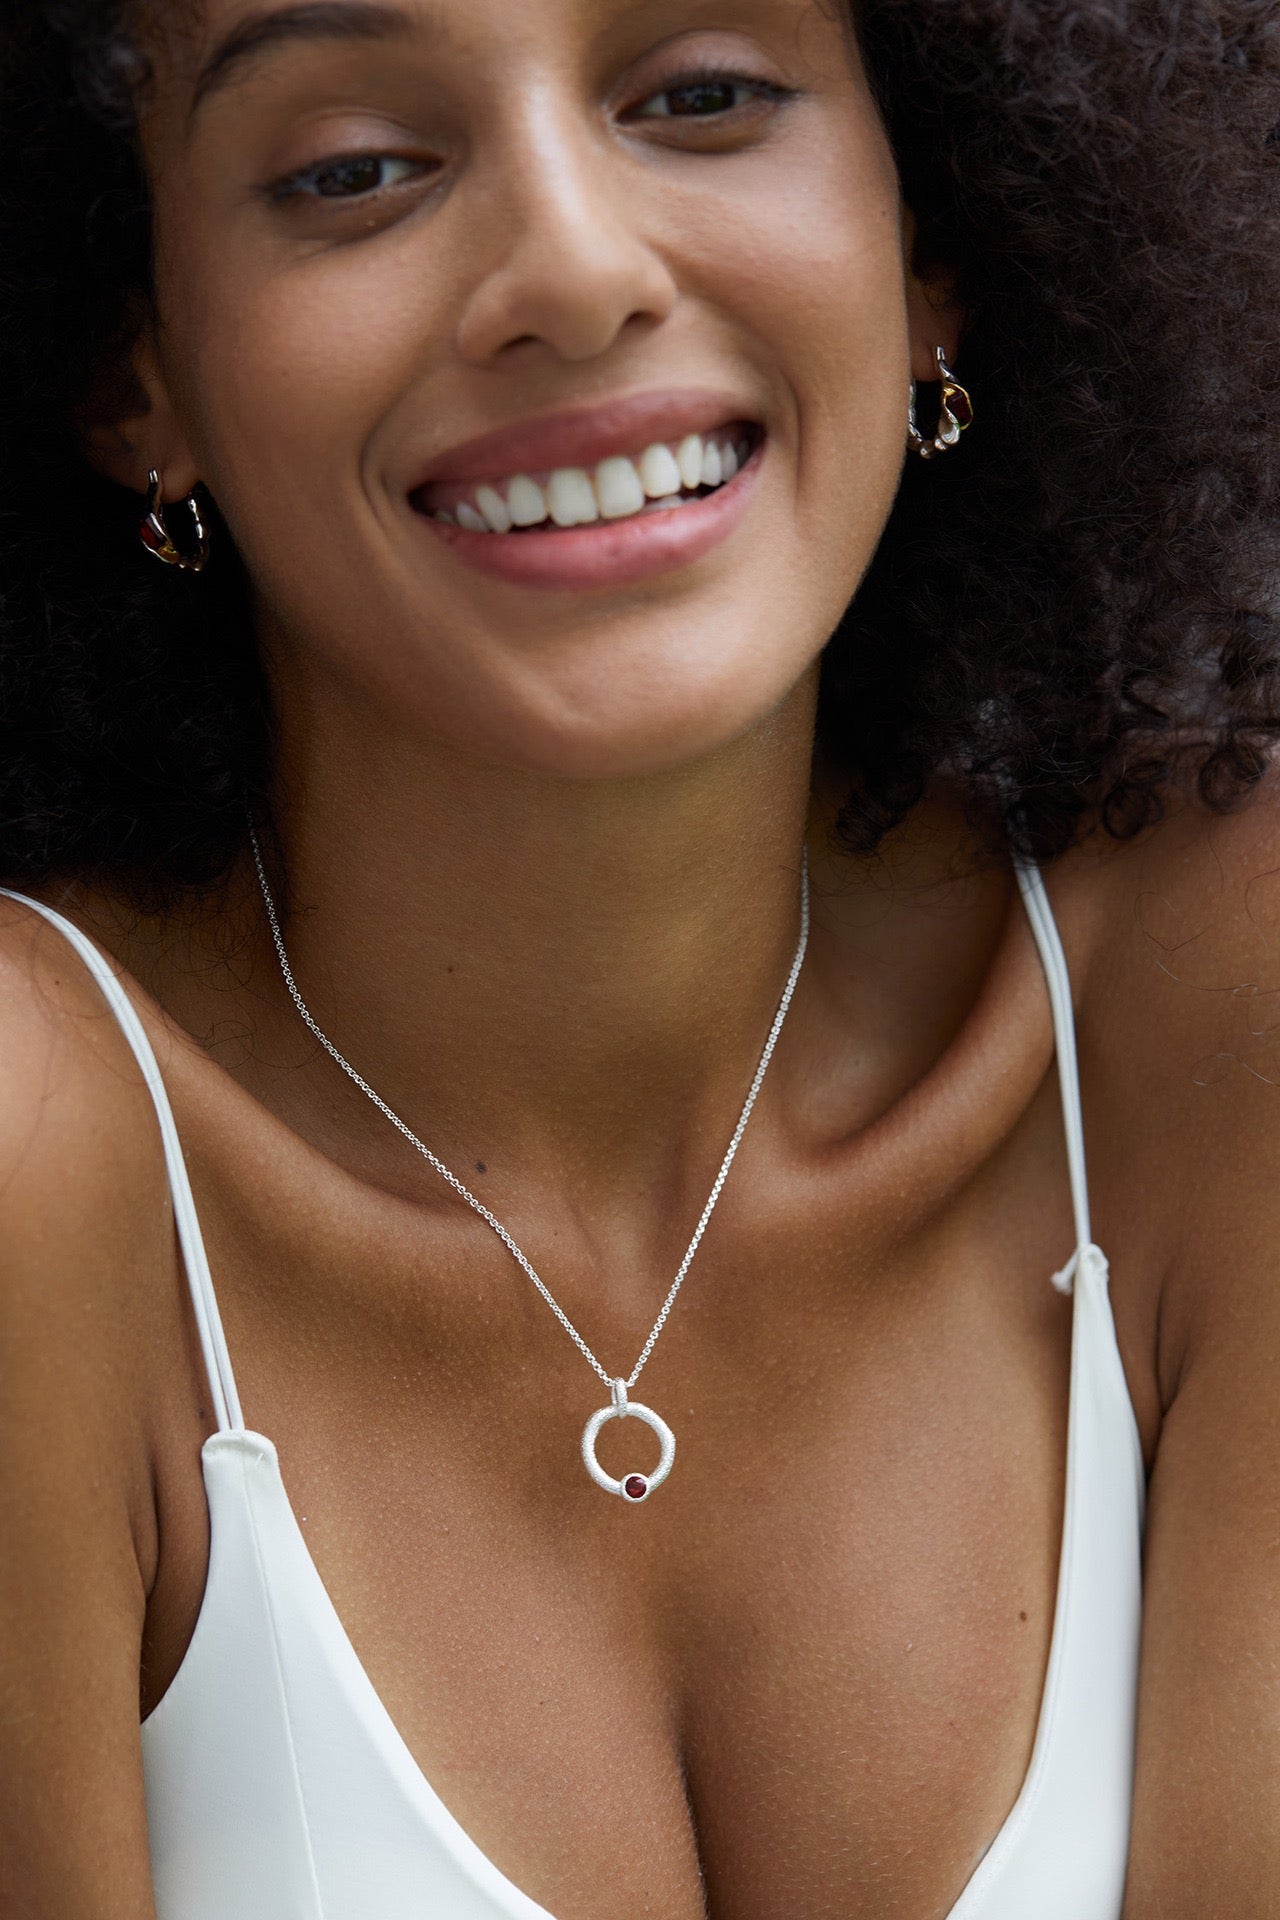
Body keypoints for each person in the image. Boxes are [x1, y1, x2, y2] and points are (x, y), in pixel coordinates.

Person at [1, 0, 1278, 1914]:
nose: (576, 271)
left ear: (932, 251)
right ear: (136, 372)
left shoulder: (1212, 993)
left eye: (704, 95)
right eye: (354, 170)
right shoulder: (36, 1148)